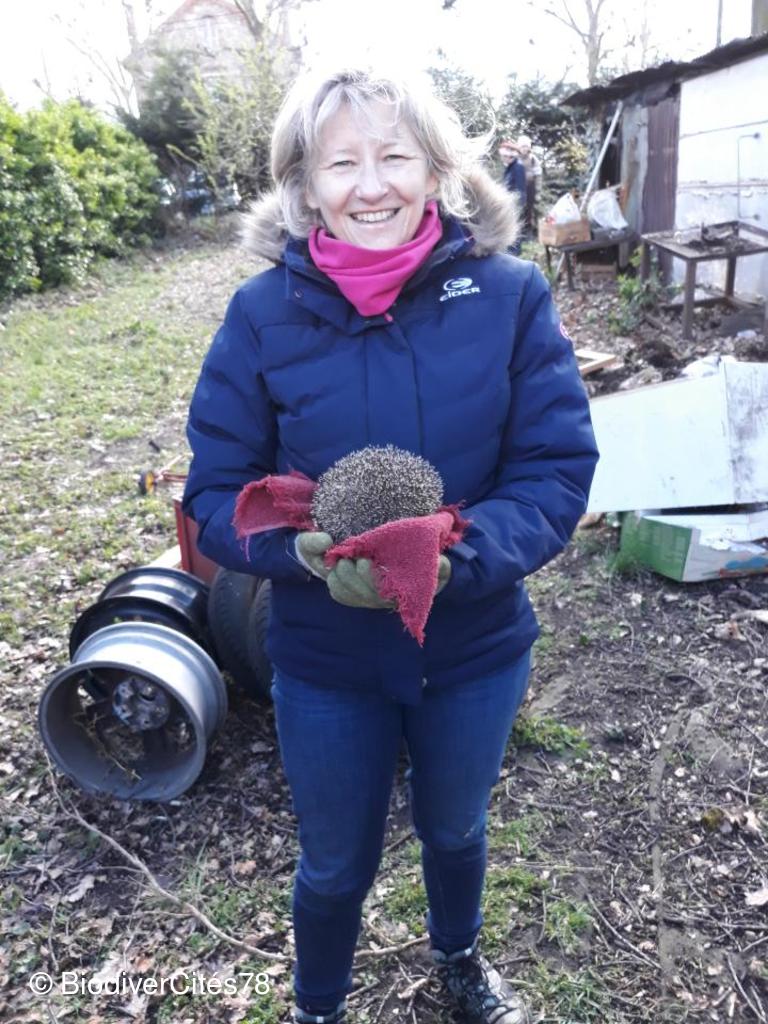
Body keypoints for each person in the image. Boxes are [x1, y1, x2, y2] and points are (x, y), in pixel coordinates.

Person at [183, 68, 598, 1024]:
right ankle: (318, 1004)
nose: (371, 186)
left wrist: (454, 562)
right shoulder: (261, 315)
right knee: (334, 860)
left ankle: (459, 959)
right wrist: (297, 555)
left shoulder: (510, 296)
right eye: (342, 164)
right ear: (305, 185)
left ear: (438, 170)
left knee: (455, 828)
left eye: (395, 157)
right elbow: (213, 491)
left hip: (473, 644)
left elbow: (553, 468)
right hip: (326, 656)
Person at [497, 140, 527, 254]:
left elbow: (520, 188)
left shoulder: (518, 167)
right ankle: (511, 250)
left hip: (515, 203)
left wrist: (517, 205)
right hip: (509, 202)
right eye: (503, 156)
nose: (503, 159)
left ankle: (515, 252)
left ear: (511, 156)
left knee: (515, 228)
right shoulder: (509, 167)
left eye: (505, 156)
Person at [515, 135, 542, 240]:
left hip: (530, 188)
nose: (524, 149)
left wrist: (538, 192)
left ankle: (529, 232)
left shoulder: (533, 159)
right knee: (518, 210)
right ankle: (518, 233)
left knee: (529, 210)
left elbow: (538, 175)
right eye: (522, 146)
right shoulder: (515, 158)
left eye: (526, 146)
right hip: (518, 188)